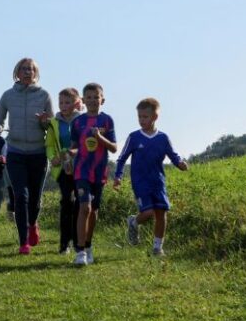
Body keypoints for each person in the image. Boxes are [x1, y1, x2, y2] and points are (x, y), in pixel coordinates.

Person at [0, 58, 53, 255]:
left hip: (38, 153)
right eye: (23, 69)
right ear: (17, 72)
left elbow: (51, 125)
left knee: (35, 199)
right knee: (20, 196)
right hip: (15, 152)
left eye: (31, 69)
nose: (27, 72)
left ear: (35, 73)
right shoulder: (8, 95)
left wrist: (45, 121)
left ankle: (33, 224)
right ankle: (23, 242)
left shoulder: (44, 95)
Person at [114, 97, 189, 255]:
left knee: (161, 213)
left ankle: (157, 248)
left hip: (158, 182)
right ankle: (134, 222)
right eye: (139, 117)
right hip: (140, 182)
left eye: (145, 117)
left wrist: (180, 164)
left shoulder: (163, 138)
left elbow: (173, 156)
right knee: (149, 212)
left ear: (155, 117)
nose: (141, 120)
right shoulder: (134, 137)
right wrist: (118, 176)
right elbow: (121, 158)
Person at [70, 83, 117, 266]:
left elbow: (113, 148)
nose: (92, 100)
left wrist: (99, 137)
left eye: (96, 97)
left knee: (94, 211)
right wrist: (68, 155)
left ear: (102, 100)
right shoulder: (77, 122)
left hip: (99, 173)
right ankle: (80, 251)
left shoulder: (107, 120)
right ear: (83, 100)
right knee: (85, 208)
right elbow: (74, 147)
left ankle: (88, 246)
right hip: (81, 172)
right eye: (88, 97)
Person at [45, 87, 81, 254]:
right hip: (63, 169)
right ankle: (64, 244)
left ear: (76, 103)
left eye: (67, 102)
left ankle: (78, 242)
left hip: (80, 168)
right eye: (61, 102)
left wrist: (74, 153)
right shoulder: (54, 122)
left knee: (80, 204)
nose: (63, 106)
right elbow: (49, 144)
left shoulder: (82, 120)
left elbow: (87, 143)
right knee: (67, 202)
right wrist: (53, 157)